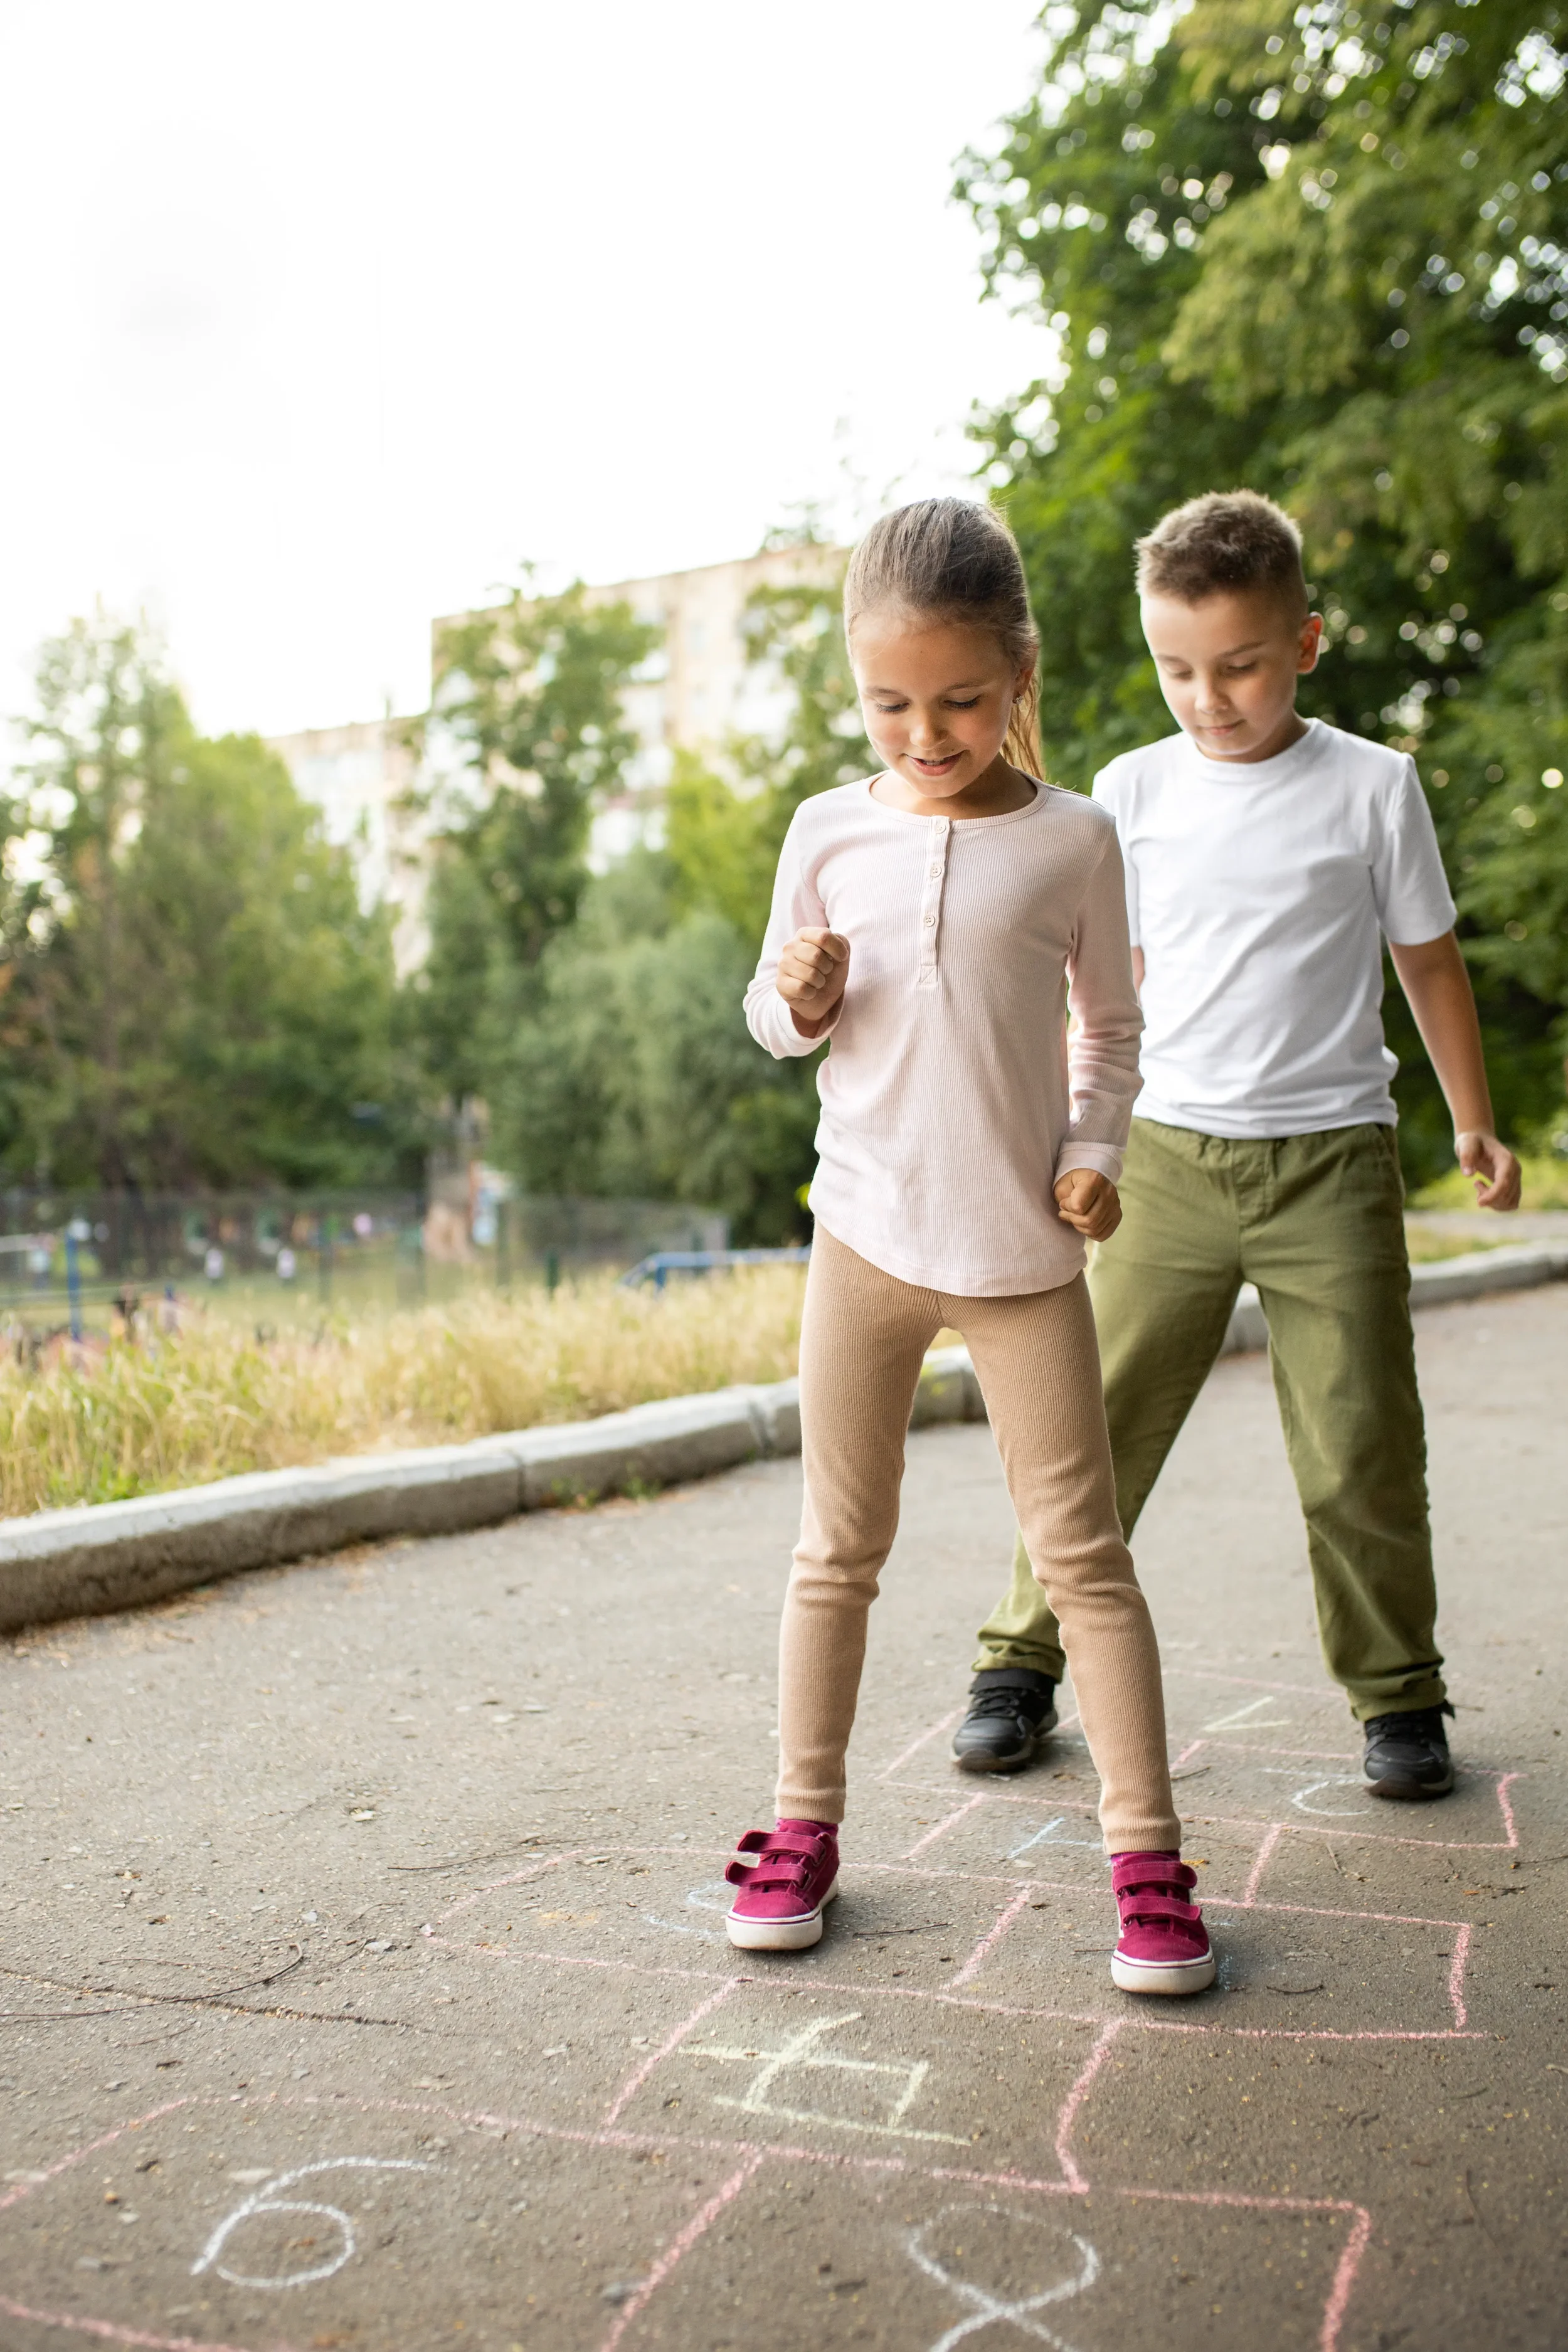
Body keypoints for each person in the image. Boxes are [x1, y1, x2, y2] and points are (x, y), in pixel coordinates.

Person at [951, 490, 1520, 1801]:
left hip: (1331, 1163)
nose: (1207, 698)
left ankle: (1397, 1696)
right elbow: (1098, 987)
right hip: (1164, 1161)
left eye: (1240, 666)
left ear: (1305, 642)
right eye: (1176, 670)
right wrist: (1058, 1135)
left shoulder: (1374, 786)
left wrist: (1474, 1123)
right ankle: (1016, 1665)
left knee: (1360, 1438)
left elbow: (1424, 964)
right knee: (1088, 1427)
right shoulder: (1129, 793)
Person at [724, 498, 1215, 1998]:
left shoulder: (1073, 839)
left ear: (1016, 676)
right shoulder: (825, 829)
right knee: (834, 1552)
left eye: (956, 700)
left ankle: (1145, 1858)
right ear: (856, 691)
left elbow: (1111, 1034)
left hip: (1016, 1260)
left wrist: (1088, 1155)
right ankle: (805, 1824)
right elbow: (771, 1016)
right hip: (861, 1243)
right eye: (888, 703)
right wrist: (797, 994)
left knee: (1084, 1563)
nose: (923, 732)